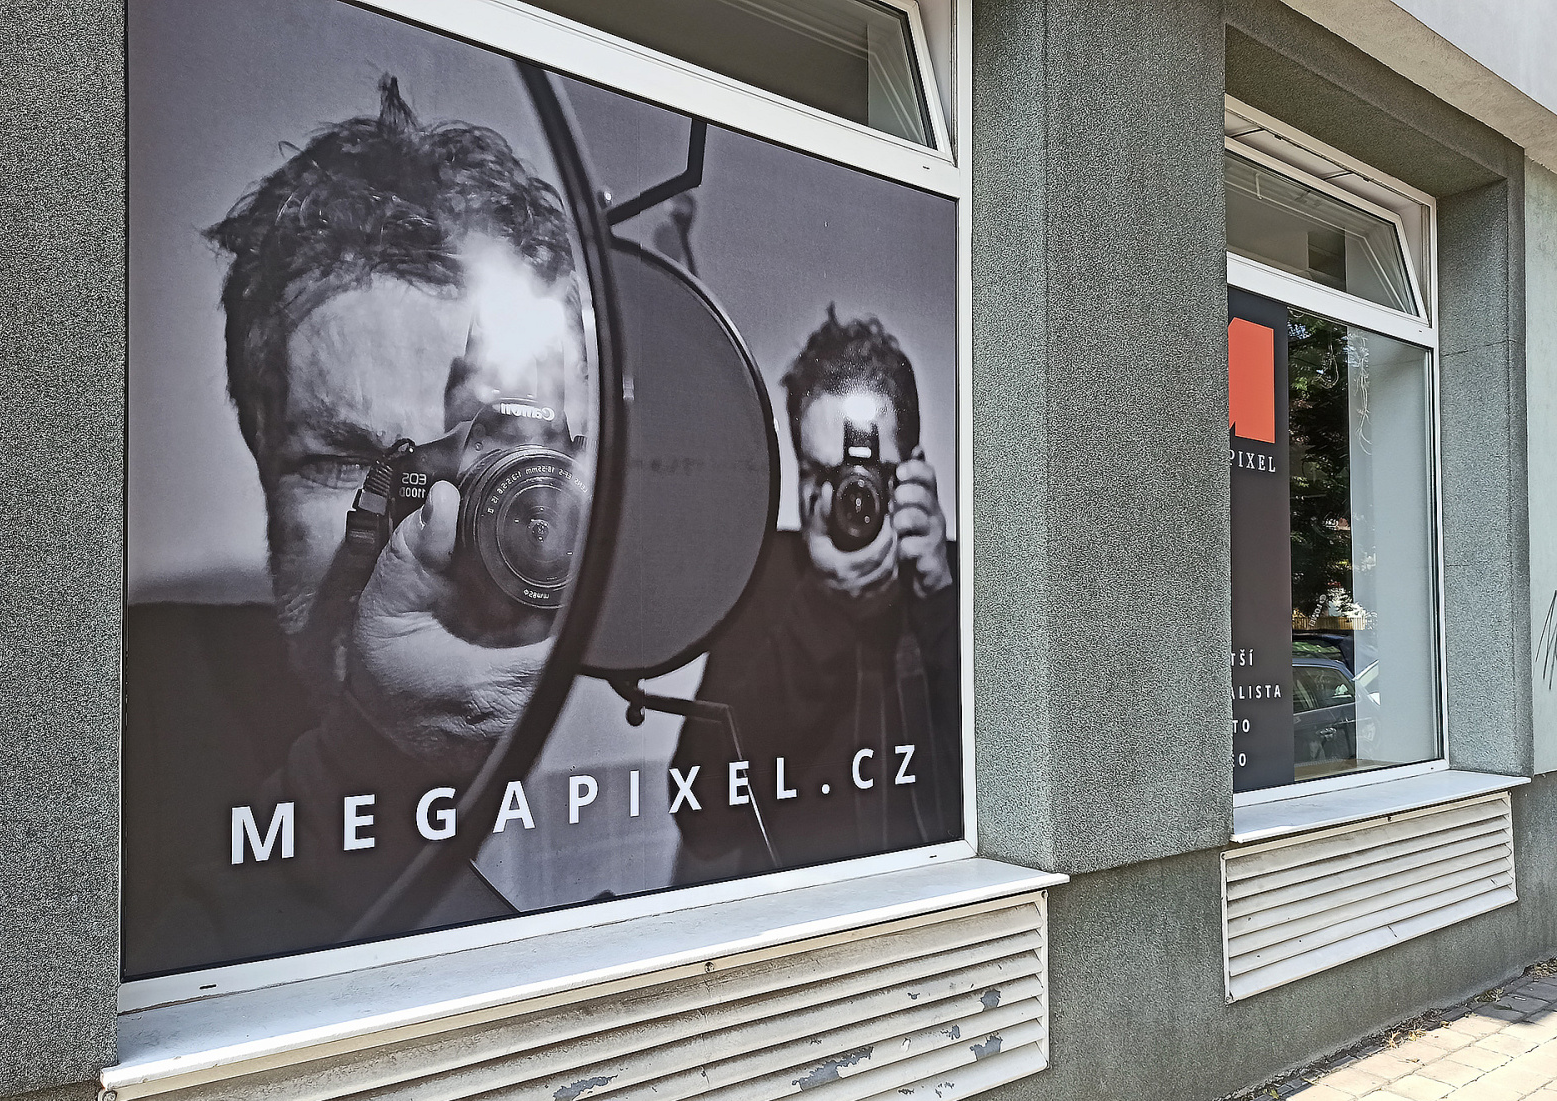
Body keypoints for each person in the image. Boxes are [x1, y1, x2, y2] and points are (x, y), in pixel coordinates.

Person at [123, 78, 587, 974]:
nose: (412, 526)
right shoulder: (126, 727)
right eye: (348, 464)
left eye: (486, 465)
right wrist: (366, 758)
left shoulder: (619, 726)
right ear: (261, 452)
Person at [670, 307, 963, 881]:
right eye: (819, 476)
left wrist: (938, 600)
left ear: (912, 474)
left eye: (864, 475)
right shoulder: (763, 581)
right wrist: (822, 609)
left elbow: (1017, 779)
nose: (844, 501)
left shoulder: (952, 575)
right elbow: (701, 821)